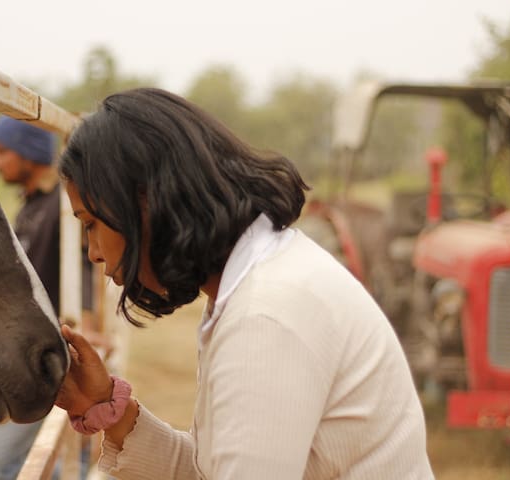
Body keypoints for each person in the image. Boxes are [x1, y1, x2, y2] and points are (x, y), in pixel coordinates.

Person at [54, 88, 435, 479]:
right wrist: (107, 407)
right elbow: (212, 469)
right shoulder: (259, 283)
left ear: (147, 200)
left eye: (91, 224)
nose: (93, 253)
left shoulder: (265, 315)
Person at [0, 116, 60, 480]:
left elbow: (86, 270)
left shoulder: (60, 210)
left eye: (3, 152)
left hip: (45, 361)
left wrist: (86, 318)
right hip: (23, 352)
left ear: (30, 153)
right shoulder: (32, 207)